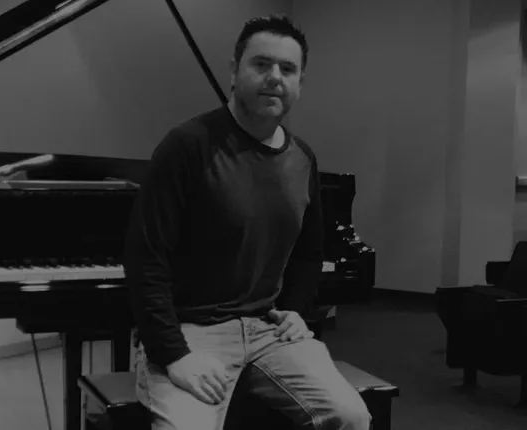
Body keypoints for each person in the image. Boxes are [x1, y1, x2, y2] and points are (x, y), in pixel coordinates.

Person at [123, 14, 371, 430]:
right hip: (191, 330)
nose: (274, 77)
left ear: (299, 84)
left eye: (287, 69)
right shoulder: (186, 145)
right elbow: (146, 258)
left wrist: (296, 309)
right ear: (234, 71)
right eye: (261, 64)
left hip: (268, 328)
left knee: (350, 417)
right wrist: (174, 354)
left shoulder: (303, 158)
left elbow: (310, 251)